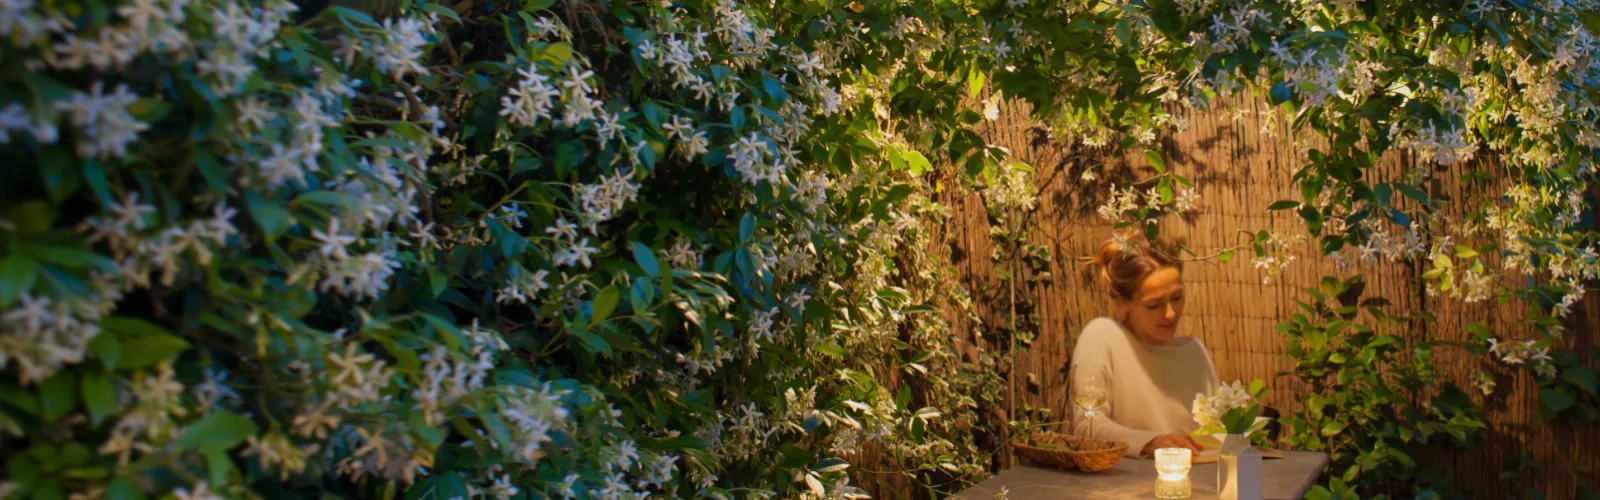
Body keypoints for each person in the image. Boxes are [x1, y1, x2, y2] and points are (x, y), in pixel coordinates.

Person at [1070, 234, 1219, 458]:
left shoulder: (1194, 352)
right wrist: (1149, 443)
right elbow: (1087, 425)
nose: (1170, 313)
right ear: (1123, 302)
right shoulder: (1104, 337)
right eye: (1154, 305)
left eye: (1177, 297)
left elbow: (1216, 432)